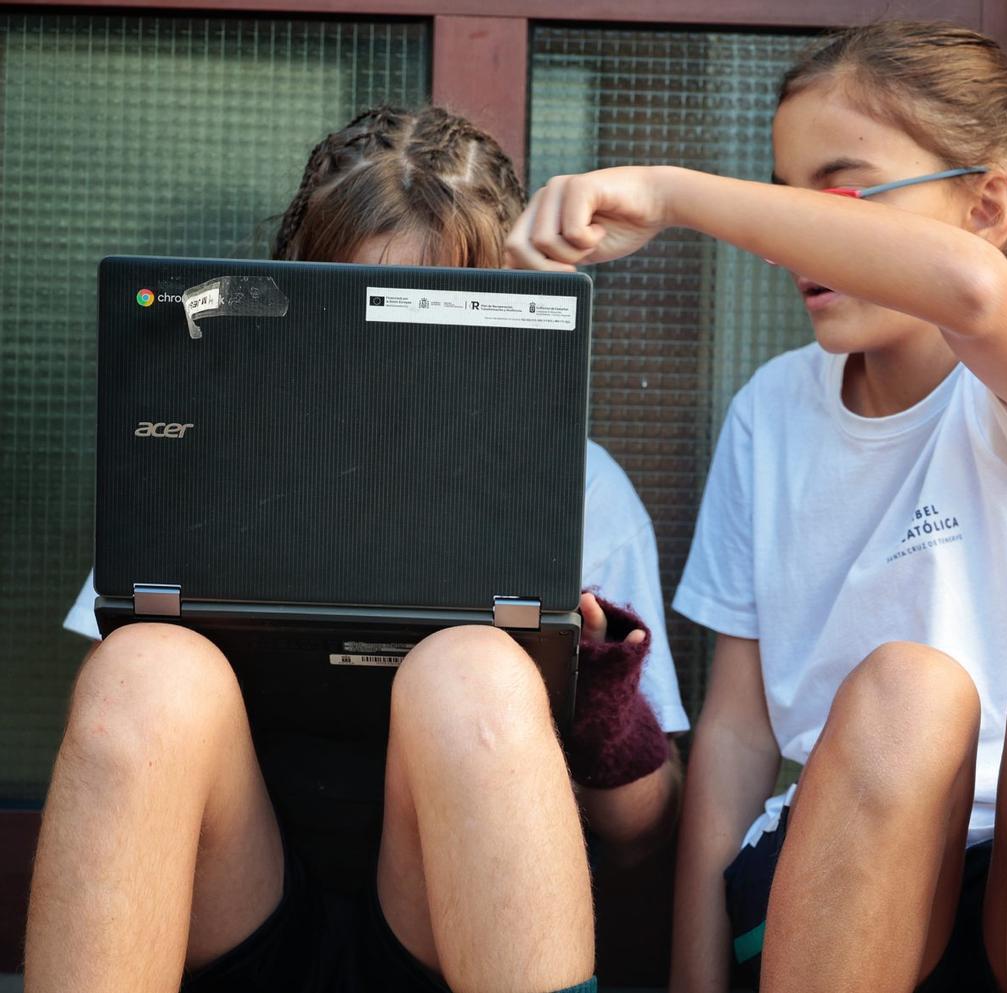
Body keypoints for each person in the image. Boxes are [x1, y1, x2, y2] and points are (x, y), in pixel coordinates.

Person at [504, 21, 1007, 993]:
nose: (796, 236)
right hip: (843, 871)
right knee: (906, 694)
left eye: (832, 197)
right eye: (782, 199)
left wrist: (673, 194)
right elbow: (739, 732)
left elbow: (971, 293)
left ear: (987, 206)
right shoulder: (769, 417)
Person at [30, 105, 688, 993]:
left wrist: (594, 684)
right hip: (237, 905)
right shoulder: (213, 445)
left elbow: (644, 826)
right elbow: (121, 745)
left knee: (474, 674)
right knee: (140, 670)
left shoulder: (576, 480)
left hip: (442, 928)